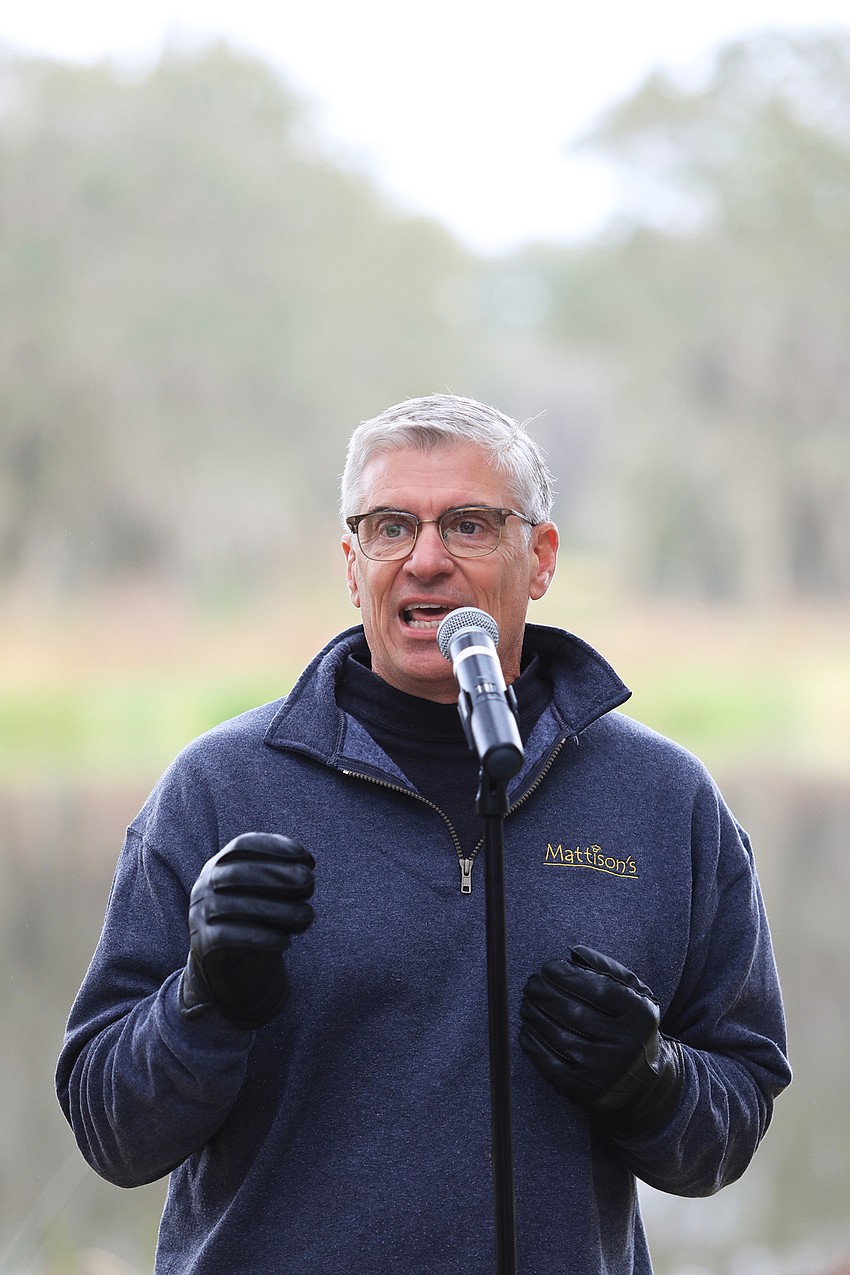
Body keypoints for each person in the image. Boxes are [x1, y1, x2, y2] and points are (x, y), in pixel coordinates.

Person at [56, 393, 791, 1274]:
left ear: (541, 556)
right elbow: (112, 1133)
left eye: (471, 525)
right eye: (390, 525)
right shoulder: (217, 788)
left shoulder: (665, 799)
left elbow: (733, 1116)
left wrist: (652, 1077)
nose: (427, 559)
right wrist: (203, 1002)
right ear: (350, 560)